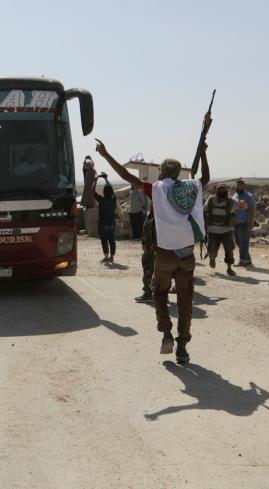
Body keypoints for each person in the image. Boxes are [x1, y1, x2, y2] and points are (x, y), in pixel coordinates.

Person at [95, 125, 210, 365]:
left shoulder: (156, 190)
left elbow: (127, 178)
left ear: (161, 173)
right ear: (177, 173)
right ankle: (182, 347)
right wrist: (204, 153)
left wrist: (105, 155)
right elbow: (205, 179)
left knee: (158, 291)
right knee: (185, 300)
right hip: (187, 255)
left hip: (165, 255)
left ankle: (166, 332)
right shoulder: (190, 188)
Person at [204, 184, 236, 276]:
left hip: (227, 231)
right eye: (220, 190)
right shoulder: (210, 201)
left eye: (223, 190)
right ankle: (212, 259)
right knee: (212, 249)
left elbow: (242, 207)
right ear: (216, 191)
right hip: (213, 231)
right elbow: (203, 211)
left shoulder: (231, 202)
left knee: (229, 250)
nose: (222, 191)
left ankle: (229, 268)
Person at [92, 173, 117, 263]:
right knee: (112, 240)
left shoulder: (101, 200)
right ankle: (112, 256)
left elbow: (93, 191)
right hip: (112, 223)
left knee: (104, 240)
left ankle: (106, 256)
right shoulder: (114, 199)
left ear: (104, 192)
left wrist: (95, 181)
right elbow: (112, 191)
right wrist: (106, 179)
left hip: (103, 223)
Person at [233, 179, 257, 266]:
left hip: (245, 222)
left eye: (240, 185)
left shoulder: (248, 196)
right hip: (236, 222)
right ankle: (248, 259)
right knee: (238, 241)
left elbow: (253, 209)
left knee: (244, 242)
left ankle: (242, 261)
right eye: (237, 185)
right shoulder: (235, 195)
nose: (238, 187)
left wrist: (251, 221)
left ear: (243, 186)